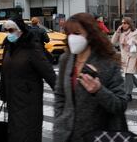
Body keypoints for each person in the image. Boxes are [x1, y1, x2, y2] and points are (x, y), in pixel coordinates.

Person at [54, 13, 127, 142]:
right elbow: (60, 95)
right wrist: (59, 120)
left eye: (77, 33)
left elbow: (120, 104)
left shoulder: (108, 63)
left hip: (97, 135)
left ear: (90, 35)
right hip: (67, 134)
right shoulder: (65, 59)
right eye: (69, 34)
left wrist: (98, 90)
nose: (72, 38)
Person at [0, 16, 56, 142]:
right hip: (13, 102)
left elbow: (49, 73)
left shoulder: (32, 48)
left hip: (29, 104)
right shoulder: (8, 47)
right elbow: (4, 72)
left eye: (11, 30)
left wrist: (63, 95)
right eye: (7, 30)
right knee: (14, 135)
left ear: (20, 30)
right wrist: (3, 94)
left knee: (28, 136)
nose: (9, 33)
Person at [111, 17, 137, 102]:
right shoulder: (121, 33)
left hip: (133, 56)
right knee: (128, 74)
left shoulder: (136, 32)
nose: (123, 25)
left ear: (129, 24)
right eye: (122, 23)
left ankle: (128, 94)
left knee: (128, 74)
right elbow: (112, 42)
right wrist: (117, 32)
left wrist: (135, 42)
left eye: (125, 23)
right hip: (124, 56)